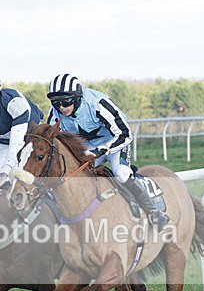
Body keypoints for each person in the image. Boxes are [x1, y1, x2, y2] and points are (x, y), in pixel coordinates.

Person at [46, 73, 168, 226]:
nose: (61, 107)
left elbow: (125, 134)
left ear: (77, 97)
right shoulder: (55, 114)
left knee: (121, 173)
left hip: (115, 142)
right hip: (88, 147)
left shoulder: (97, 104)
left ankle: (154, 212)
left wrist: (106, 149)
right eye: (55, 103)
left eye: (65, 102)